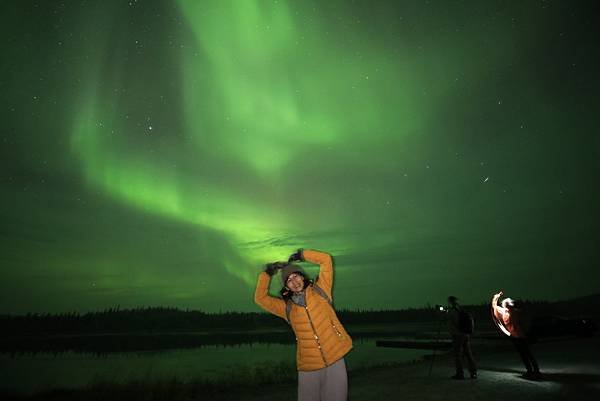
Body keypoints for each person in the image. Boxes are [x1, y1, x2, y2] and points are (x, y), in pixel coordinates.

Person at [254, 249, 353, 401]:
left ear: (303, 277)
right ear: (286, 287)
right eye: (289, 280)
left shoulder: (321, 290)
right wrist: (267, 273)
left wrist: (302, 255)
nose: (294, 282)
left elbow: (326, 260)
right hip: (308, 366)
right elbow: (260, 298)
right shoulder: (286, 307)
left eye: (296, 276)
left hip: (335, 358)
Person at [491, 291, 541, 379]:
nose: (508, 306)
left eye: (508, 304)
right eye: (507, 304)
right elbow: (494, 306)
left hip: (521, 337)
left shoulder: (515, 312)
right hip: (515, 337)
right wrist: (497, 296)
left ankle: (535, 371)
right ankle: (530, 371)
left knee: (527, 353)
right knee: (524, 354)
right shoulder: (505, 313)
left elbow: (525, 321)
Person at [446, 296, 477, 379]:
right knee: (468, 354)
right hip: (465, 335)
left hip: (457, 336)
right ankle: (473, 372)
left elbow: (450, 323)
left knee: (457, 355)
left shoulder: (451, 312)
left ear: (450, 302)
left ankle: (460, 374)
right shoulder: (462, 310)